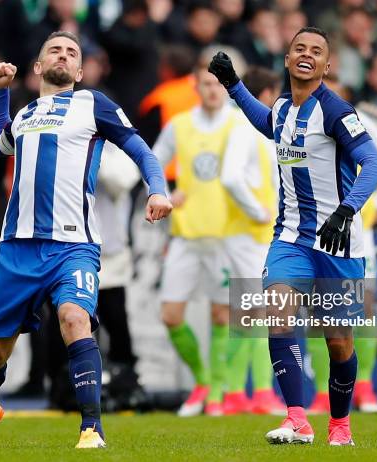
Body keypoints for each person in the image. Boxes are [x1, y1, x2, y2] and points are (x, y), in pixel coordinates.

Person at [0, 31, 172, 450]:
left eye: (72, 52)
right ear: (38, 66)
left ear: (80, 71)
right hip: (17, 247)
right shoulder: (26, 113)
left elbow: (140, 148)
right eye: (55, 50)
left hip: (73, 245)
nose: (63, 55)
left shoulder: (93, 104)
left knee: (73, 319)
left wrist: (157, 187)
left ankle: (91, 428)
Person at [209, 26, 377, 445]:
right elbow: (268, 124)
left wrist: (347, 210)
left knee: (338, 343)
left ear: (327, 65)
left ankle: (340, 425)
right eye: (299, 48)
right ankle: (296, 418)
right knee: (277, 311)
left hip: (338, 243)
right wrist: (234, 86)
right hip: (290, 238)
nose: (306, 54)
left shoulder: (337, 111)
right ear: (287, 60)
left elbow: (374, 164)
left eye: (317, 51)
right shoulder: (285, 105)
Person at [152, 56, 246, 417]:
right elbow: (153, 161)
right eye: (205, 84)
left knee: (223, 315)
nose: (212, 90)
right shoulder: (179, 126)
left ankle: (218, 392)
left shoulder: (239, 125)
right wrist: (163, 191)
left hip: (226, 236)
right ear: (195, 86)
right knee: (172, 314)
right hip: (186, 235)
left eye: (217, 84)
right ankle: (204, 381)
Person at [307, 77, 377, 415]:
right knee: (321, 309)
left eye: (330, 85)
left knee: (365, 305)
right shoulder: (301, 118)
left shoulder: (355, 120)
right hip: (315, 227)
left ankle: (364, 387)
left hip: (355, 225)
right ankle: (321, 391)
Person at [220, 66, 285, 416]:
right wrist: (257, 210)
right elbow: (230, 178)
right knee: (258, 312)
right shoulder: (246, 127)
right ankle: (256, 393)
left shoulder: (247, 129)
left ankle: (236, 394)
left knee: (250, 312)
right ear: (266, 93)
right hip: (247, 233)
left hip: (251, 234)